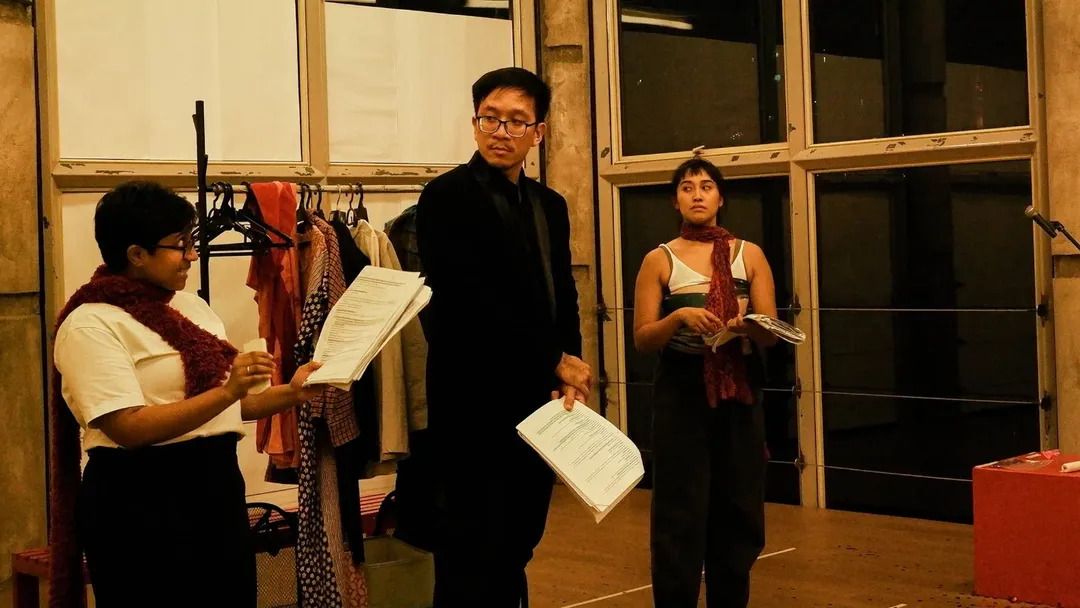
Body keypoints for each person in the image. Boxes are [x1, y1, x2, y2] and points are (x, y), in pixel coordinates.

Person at [48, 181, 323, 608]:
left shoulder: (191, 308)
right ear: (136, 254)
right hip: (140, 499)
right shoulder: (90, 324)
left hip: (213, 488)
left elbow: (233, 407)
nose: (193, 255)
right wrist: (228, 390)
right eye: (180, 245)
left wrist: (296, 391)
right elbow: (128, 427)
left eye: (191, 242)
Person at [413, 67, 591, 607]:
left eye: (516, 121)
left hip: (534, 401)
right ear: (474, 124)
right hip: (470, 401)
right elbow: (465, 300)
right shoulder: (445, 196)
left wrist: (574, 362)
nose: (501, 131)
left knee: (519, 540)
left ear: (538, 133)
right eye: (490, 118)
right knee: (470, 547)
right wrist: (551, 359)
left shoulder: (548, 205)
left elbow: (563, 291)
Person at [632, 156, 778, 607]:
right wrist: (678, 316)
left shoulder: (747, 254)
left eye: (706, 186)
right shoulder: (659, 259)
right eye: (687, 187)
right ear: (675, 201)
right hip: (682, 392)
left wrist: (744, 324)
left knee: (738, 509)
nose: (697, 194)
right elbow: (642, 339)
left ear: (721, 198)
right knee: (680, 511)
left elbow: (770, 331)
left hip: (738, 390)